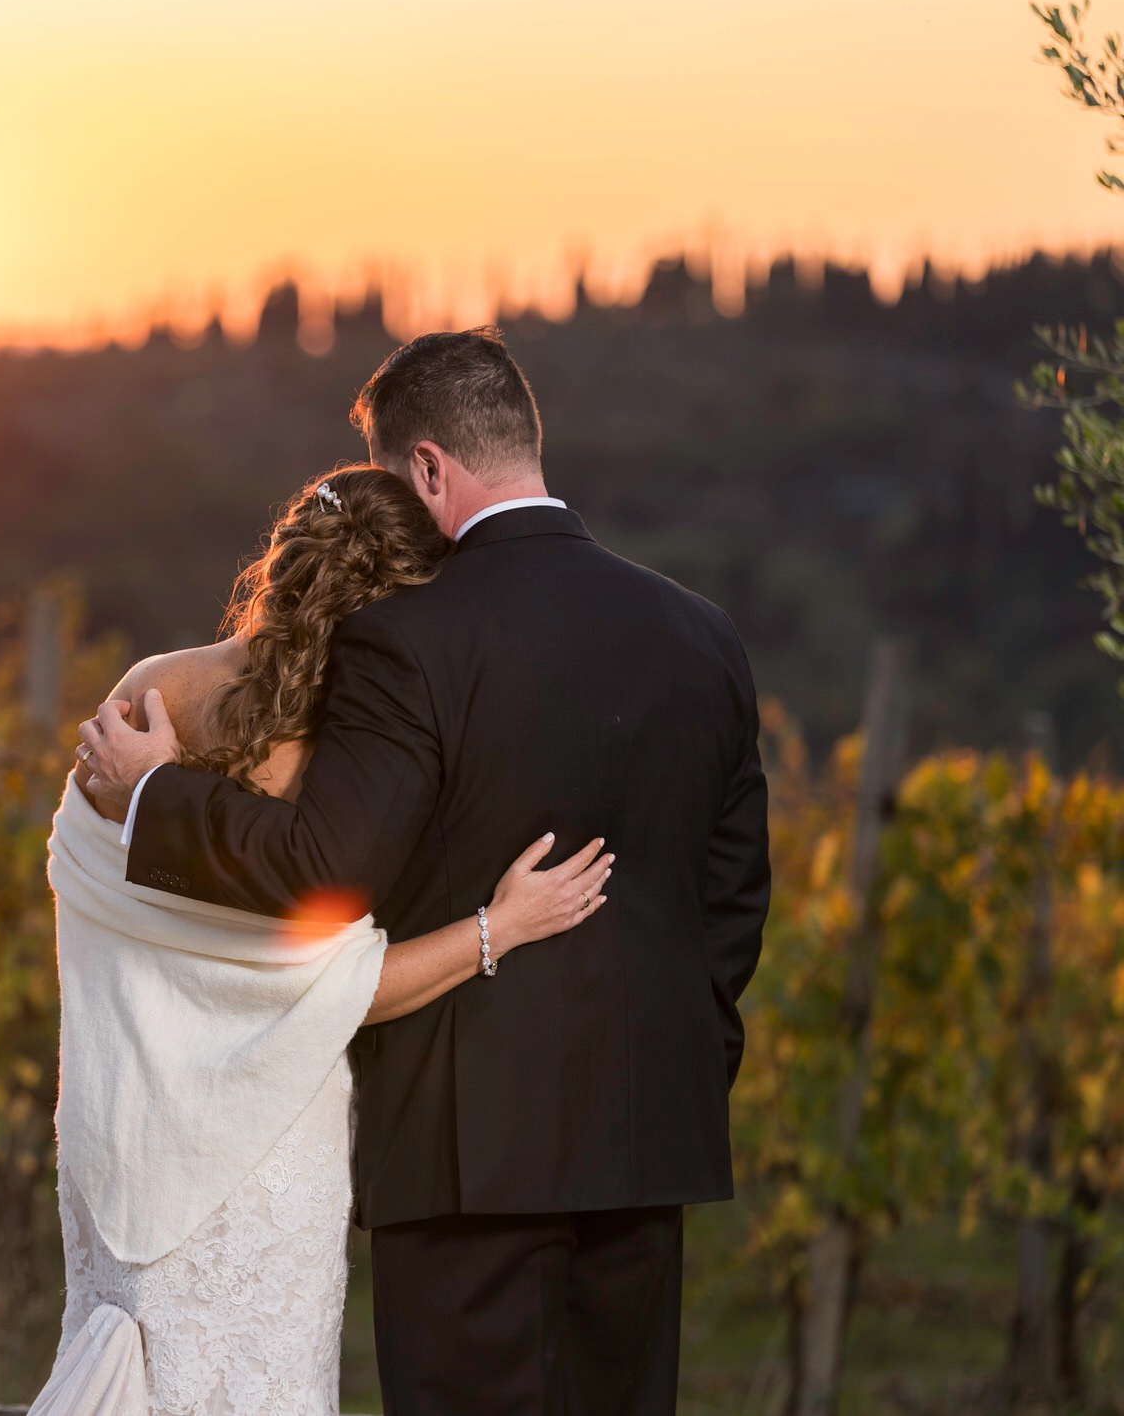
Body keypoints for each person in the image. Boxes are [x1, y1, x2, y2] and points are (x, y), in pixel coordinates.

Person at [75, 327, 771, 1416]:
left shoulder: (407, 639)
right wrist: (677, 1060)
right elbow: (731, 901)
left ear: (431, 466)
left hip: (463, 1151)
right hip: (647, 1143)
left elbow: (325, 867)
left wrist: (157, 793)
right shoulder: (705, 633)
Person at [28, 463, 614, 1416]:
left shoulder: (150, 693)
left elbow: (91, 878)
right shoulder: (341, 768)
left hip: (119, 1130)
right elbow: (340, 990)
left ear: (285, 553)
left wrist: (159, 792)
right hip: (268, 1150)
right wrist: (499, 927)